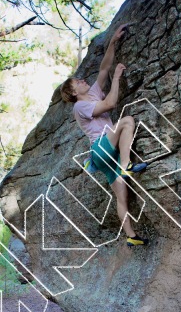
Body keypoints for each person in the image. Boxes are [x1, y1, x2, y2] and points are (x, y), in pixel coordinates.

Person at [60, 24, 149, 247]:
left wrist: (113, 42)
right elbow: (110, 102)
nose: (82, 80)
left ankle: (131, 236)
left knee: (122, 196)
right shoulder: (79, 107)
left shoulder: (91, 93)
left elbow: (103, 69)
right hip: (101, 148)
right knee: (127, 121)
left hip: (106, 155)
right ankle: (127, 164)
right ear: (73, 92)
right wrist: (117, 78)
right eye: (77, 82)